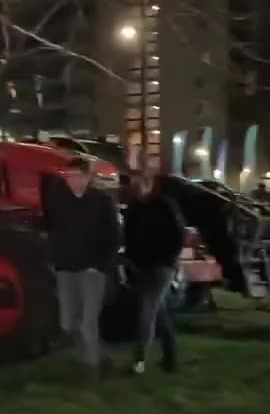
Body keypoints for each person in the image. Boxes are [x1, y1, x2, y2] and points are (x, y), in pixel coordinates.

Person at [42, 157, 121, 374]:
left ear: (87, 177)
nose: (72, 181)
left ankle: (92, 368)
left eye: (77, 176)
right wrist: (54, 259)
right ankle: (99, 355)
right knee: (68, 322)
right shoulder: (59, 201)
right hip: (66, 269)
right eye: (68, 176)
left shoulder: (102, 202)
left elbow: (113, 237)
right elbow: (52, 230)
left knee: (88, 323)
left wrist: (100, 265)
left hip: (92, 271)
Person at [123, 172, 186, 374]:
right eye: (134, 184)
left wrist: (169, 258)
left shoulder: (164, 205)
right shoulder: (134, 208)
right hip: (142, 266)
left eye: (139, 184)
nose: (135, 187)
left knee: (147, 309)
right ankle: (171, 358)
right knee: (158, 311)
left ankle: (139, 360)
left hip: (162, 266)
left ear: (148, 185)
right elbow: (128, 235)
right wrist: (132, 259)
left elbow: (179, 233)